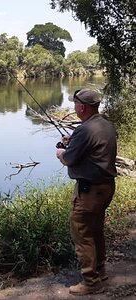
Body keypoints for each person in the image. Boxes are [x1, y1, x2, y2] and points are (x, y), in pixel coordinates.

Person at [56, 88, 117, 296]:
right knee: (96, 229)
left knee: (81, 231)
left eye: (75, 105)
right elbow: (92, 150)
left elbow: (69, 159)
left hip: (89, 190)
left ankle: (91, 282)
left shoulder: (84, 129)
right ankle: (101, 271)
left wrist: (61, 152)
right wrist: (70, 143)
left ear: (82, 107)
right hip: (106, 188)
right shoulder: (106, 125)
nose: (74, 108)